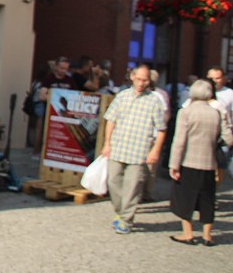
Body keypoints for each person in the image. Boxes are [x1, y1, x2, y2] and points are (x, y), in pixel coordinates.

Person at [100, 64, 167, 235]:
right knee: (113, 182)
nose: (141, 83)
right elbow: (110, 120)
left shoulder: (153, 100)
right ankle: (120, 210)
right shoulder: (122, 96)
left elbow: (161, 129)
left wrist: (155, 151)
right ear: (132, 77)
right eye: (139, 79)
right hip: (118, 147)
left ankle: (126, 219)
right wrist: (107, 143)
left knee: (132, 186)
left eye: (145, 80)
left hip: (139, 151)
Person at [168, 80, 233, 246]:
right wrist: (215, 144)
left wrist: (173, 164)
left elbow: (179, 141)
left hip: (188, 162)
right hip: (209, 162)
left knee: (185, 198)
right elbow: (228, 138)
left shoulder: (186, 112)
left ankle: (188, 233)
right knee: (207, 199)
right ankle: (207, 235)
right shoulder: (216, 113)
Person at [33, 56, 79, 158]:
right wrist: (53, 98)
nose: (63, 71)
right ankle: (38, 152)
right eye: (61, 68)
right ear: (56, 67)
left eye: (66, 69)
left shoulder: (69, 80)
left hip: (64, 112)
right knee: (45, 131)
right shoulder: (49, 78)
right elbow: (42, 95)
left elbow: (75, 95)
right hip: (50, 111)